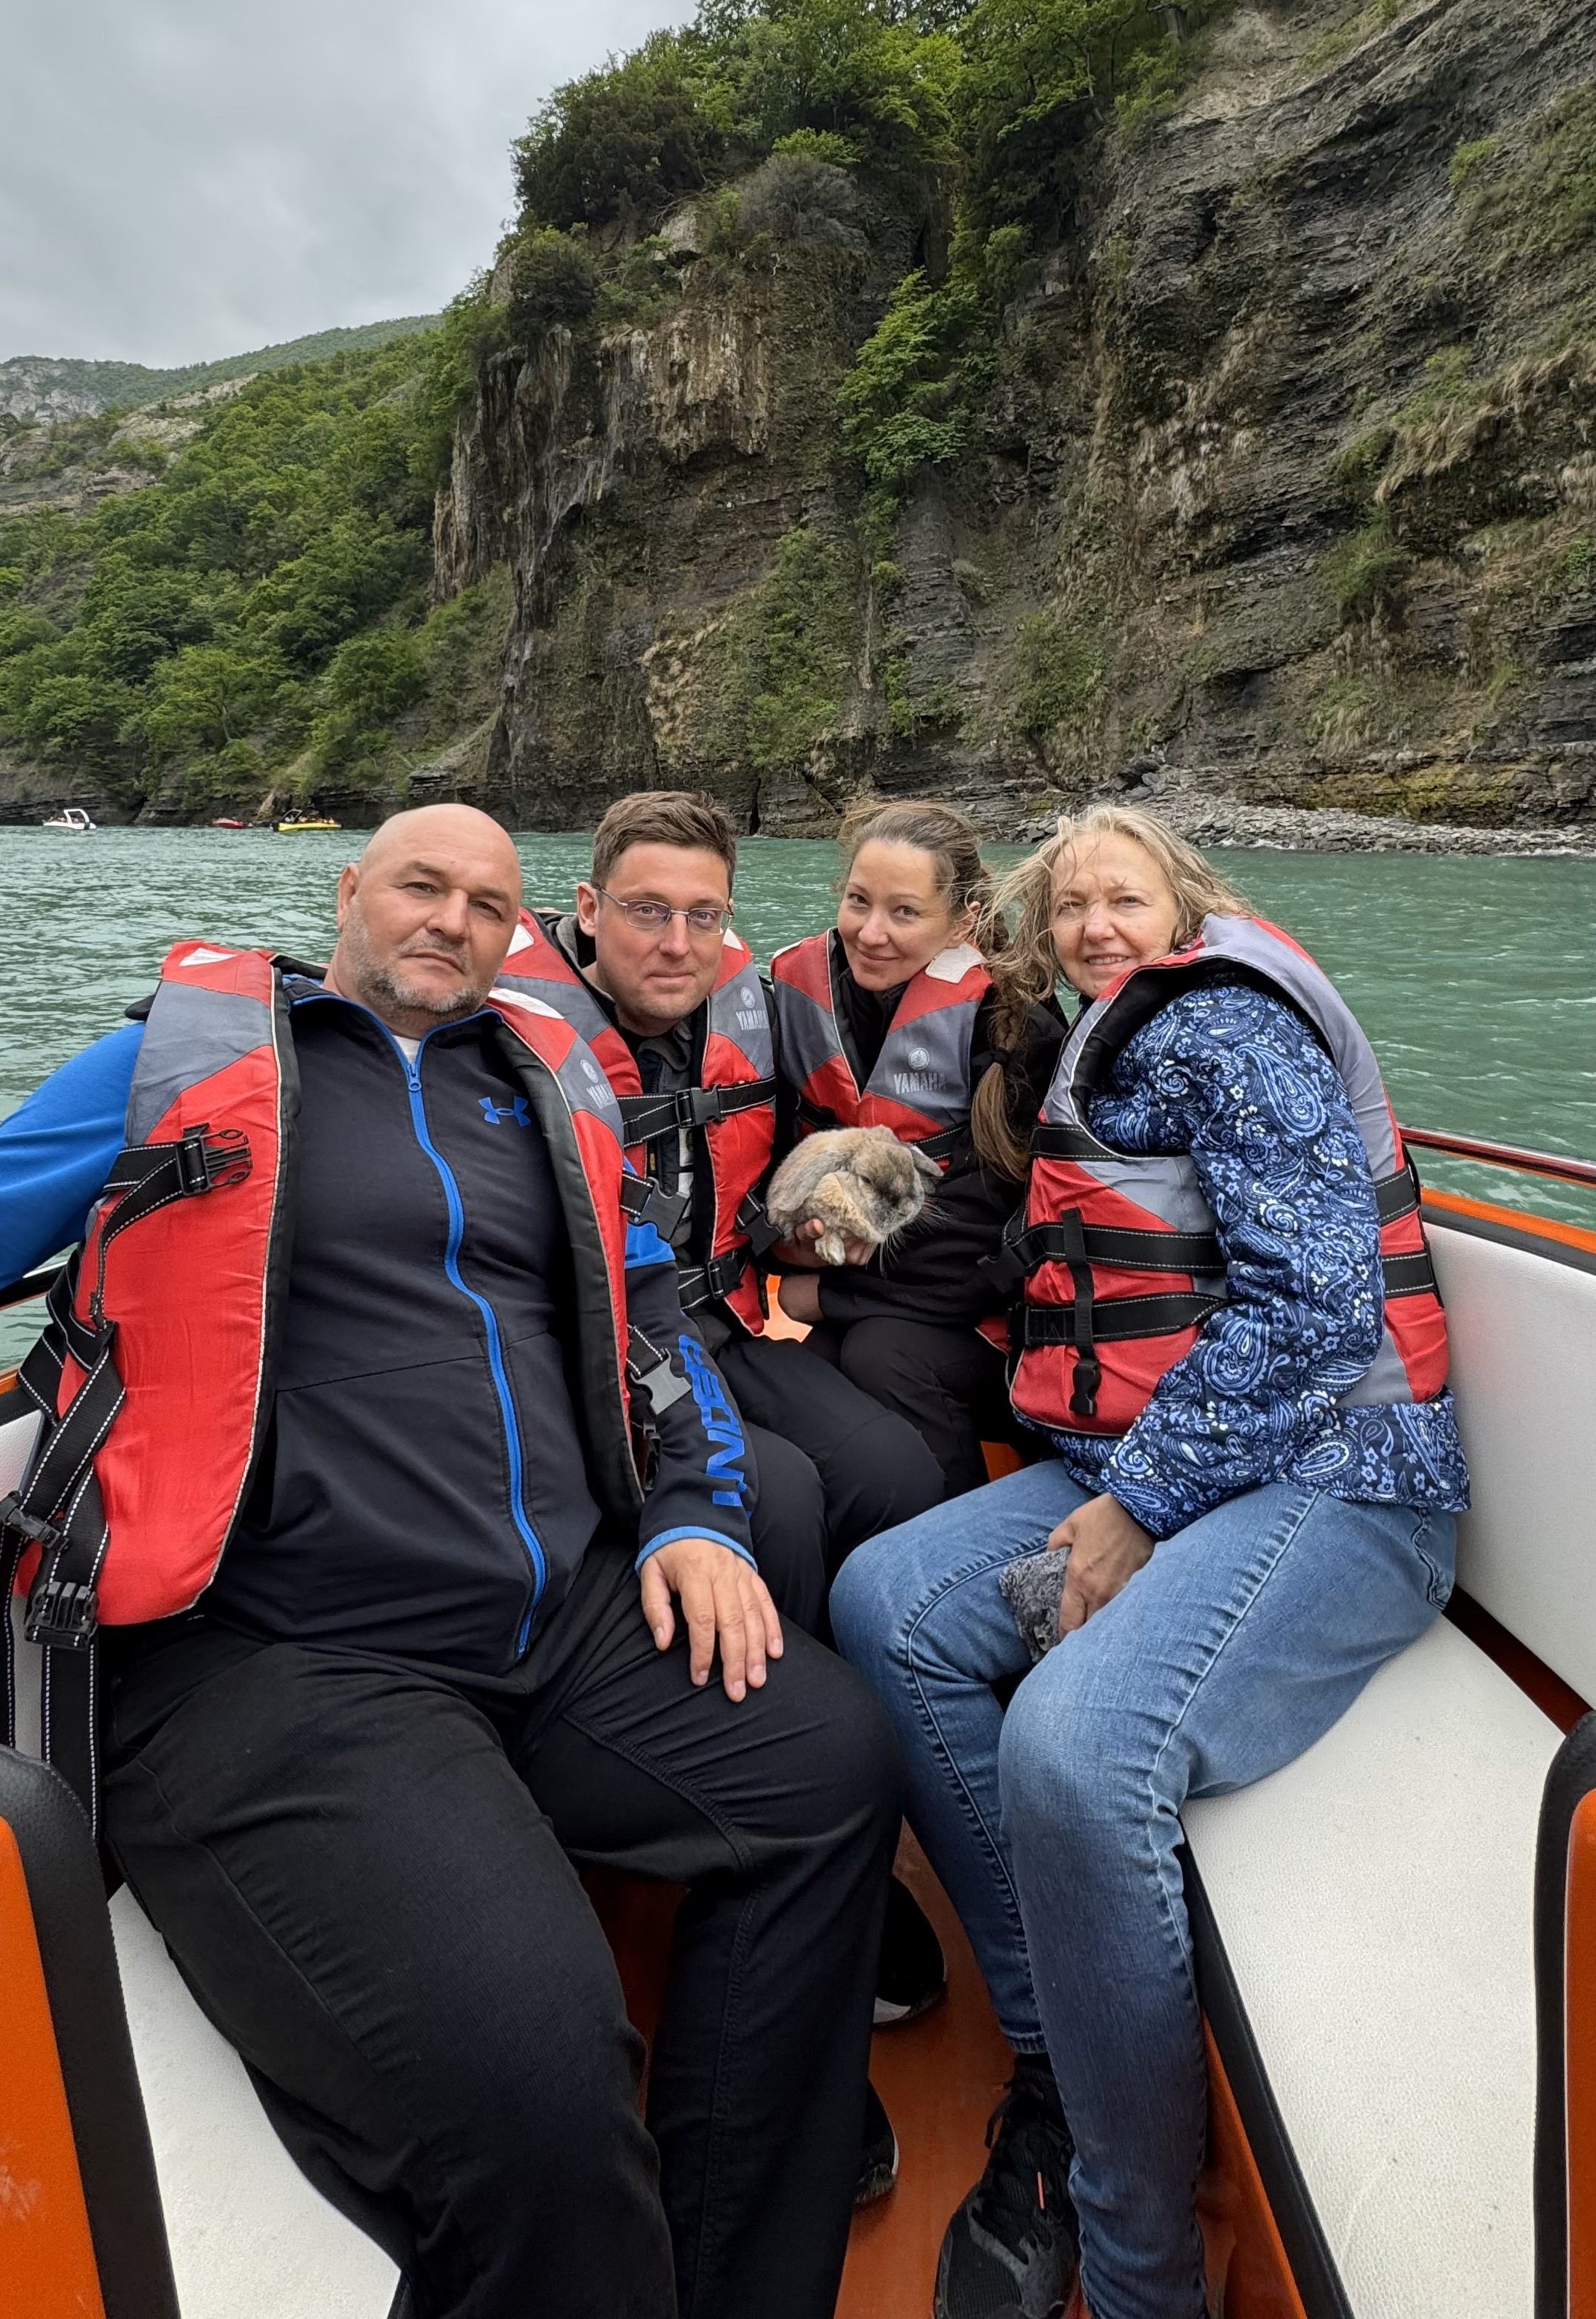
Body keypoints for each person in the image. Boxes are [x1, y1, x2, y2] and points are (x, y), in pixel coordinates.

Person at [0, 806, 904, 2319]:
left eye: (486, 903)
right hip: (281, 1652)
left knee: (826, 1766)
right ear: (347, 892)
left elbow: (652, 1331)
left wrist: (696, 1516)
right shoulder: (182, 1061)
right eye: (419, 885)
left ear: (519, 933)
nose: (450, 919)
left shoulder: (543, 1086)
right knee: (539, 2082)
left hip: (554, 1619)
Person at [830, 804, 1471, 2319]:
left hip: (1347, 1475)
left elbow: (1317, 1309)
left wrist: (1140, 1502)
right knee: (886, 1605)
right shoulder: (1113, 1041)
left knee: (1070, 1748)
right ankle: (1063, 2067)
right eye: (1069, 908)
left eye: (1122, 897)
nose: (1093, 926)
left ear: (1185, 904)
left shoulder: (1229, 1028)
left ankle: (1138, 2266)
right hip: (1178, 1458)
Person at [506, 788, 950, 2162]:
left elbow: (864, 1070)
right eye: (648, 910)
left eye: (704, 915)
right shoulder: (508, 1026)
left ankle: (859, 1823)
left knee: (896, 1468)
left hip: (725, 1311)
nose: (678, 941)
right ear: (587, 909)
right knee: (784, 1495)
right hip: (598, 1351)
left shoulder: (752, 1007)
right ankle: (756, 1830)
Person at [768, 798, 1064, 1500]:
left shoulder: (1014, 1023)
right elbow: (761, 1158)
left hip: (991, 1316)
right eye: (858, 901)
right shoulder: (796, 997)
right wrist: (797, 1246)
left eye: (905, 912)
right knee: (820, 1364)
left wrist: (827, 1294)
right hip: (877, 1288)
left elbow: (984, 1238)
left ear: (962, 921)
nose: (871, 933)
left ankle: (964, 1539)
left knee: (881, 1353)